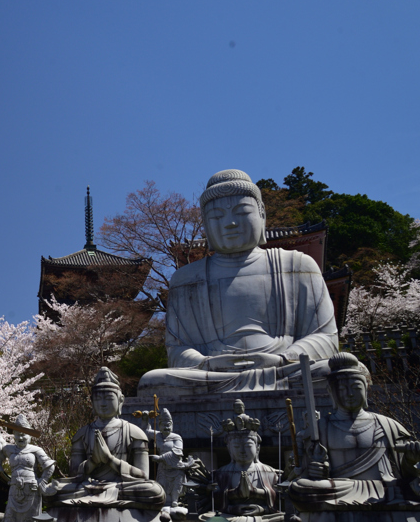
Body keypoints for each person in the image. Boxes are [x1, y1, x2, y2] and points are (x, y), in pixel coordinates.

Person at [138, 169, 338, 395]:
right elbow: (177, 350)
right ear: (204, 223)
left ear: (261, 213)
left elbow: (326, 337)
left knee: (339, 372)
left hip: (283, 368)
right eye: (216, 217)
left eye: (241, 212)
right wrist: (207, 364)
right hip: (213, 373)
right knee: (152, 382)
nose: (230, 223)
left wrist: (282, 358)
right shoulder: (186, 279)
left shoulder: (297, 265)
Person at [289, 352, 420, 509]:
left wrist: (410, 460)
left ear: (365, 389)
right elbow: (301, 472)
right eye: (342, 389)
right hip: (338, 489)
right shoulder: (320, 428)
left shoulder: (387, 425)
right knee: (300, 488)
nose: (349, 394)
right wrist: (315, 472)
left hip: (383, 489)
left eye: (356, 387)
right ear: (331, 392)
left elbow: (407, 474)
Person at [46, 367, 166, 508]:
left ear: (121, 400)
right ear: (91, 402)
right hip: (88, 486)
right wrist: (94, 461)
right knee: (52, 490)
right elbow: (74, 475)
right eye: (98, 398)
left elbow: (143, 475)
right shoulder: (82, 434)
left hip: (122, 486)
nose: (103, 404)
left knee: (154, 491)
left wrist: (110, 460)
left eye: (109, 398)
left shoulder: (134, 432)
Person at [0, 414, 55, 522]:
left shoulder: (36, 450)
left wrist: (42, 481)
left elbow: (49, 466)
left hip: (30, 487)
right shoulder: (10, 450)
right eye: (17, 434)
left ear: (29, 436)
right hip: (14, 486)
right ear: (13, 435)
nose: (20, 438)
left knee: (29, 513)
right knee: (11, 513)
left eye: (23, 435)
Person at [212, 403, 280, 516]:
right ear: (229, 449)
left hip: (263, 514)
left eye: (248, 446)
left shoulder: (269, 472)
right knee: (207, 516)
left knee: (280, 517)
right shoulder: (221, 473)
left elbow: (278, 497)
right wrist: (232, 502)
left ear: (257, 448)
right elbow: (217, 502)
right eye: (236, 447)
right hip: (230, 515)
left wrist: (257, 496)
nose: (242, 451)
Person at [145, 409, 194, 507]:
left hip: (176, 468)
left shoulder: (176, 437)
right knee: (162, 485)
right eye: (164, 425)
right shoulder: (157, 435)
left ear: (172, 425)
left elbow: (177, 452)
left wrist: (160, 458)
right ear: (159, 425)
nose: (166, 427)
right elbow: (145, 432)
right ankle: (165, 501)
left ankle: (175, 501)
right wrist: (145, 419)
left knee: (176, 488)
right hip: (163, 468)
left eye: (168, 425)